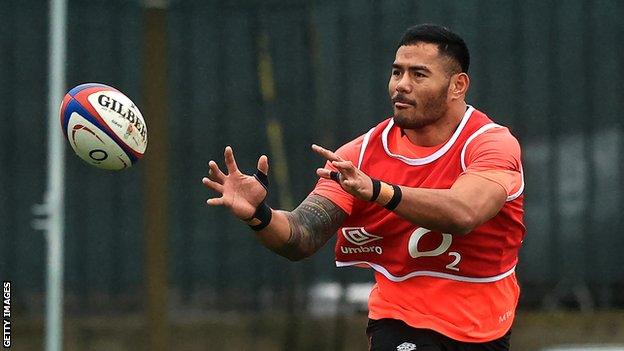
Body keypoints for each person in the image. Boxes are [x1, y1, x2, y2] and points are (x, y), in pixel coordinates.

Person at [202, 23, 524, 351]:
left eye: (419, 75)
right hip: (400, 319)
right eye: (397, 72)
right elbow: (303, 235)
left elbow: (464, 212)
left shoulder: (491, 145)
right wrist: (258, 215)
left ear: (458, 85)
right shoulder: (357, 157)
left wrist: (378, 191)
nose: (402, 85)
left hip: (485, 323)